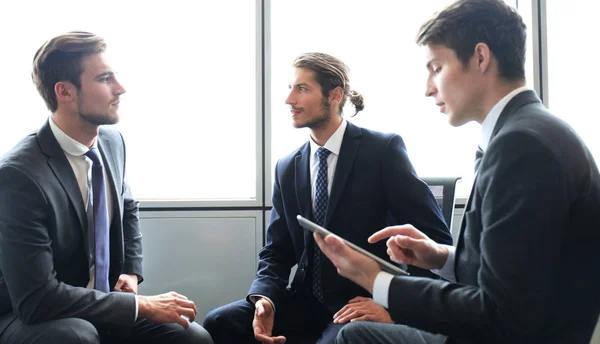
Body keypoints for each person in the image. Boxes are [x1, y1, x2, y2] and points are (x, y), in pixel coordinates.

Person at [313, 1, 600, 343]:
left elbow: (499, 313)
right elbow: (518, 270)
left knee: (354, 337)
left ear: (480, 58)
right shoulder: (534, 130)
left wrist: (377, 281)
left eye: (436, 67)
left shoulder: (521, 146)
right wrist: (439, 257)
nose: (428, 87)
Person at [203, 52, 452, 344]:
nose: (289, 100)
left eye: (302, 88)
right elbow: (277, 251)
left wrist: (399, 306)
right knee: (219, 322)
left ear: (334, 95)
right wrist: (265, 299)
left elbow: (432, 239)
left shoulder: (382, 151)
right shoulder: (288, 166)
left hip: (360, 301)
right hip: (304, 302)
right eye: (290, 88)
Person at [0, 31, 213, 344]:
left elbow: (126, 206)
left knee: (192, 337)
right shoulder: (20, 176)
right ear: (65, 92)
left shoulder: (112, 142)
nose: (120, 88)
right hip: (27, 313)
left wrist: (130, 271)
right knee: (78, 337)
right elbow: (37, 298)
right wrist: (139, 305)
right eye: (104, 79)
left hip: (100, 301)